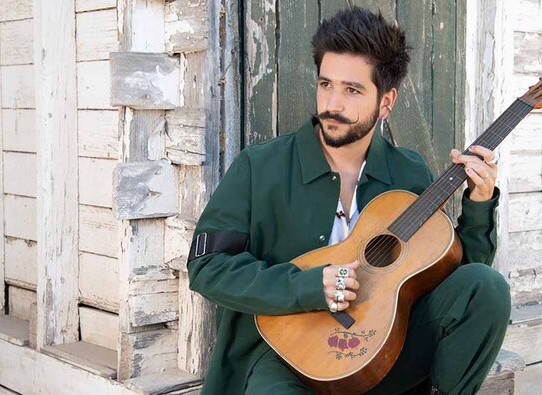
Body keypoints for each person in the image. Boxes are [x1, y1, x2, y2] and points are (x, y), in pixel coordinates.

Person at [187, 7, 511, 395]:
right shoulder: (259, 167)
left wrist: (479, 200)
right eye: (326, 85)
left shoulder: (408, 173)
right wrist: (306, 287)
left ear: (386, 102)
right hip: (285, 357)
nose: (333, 104)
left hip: (383, 350)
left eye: (352, 90)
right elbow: (207, 267)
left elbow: (454, 281)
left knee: (486, 286)